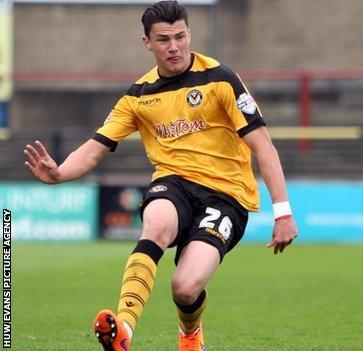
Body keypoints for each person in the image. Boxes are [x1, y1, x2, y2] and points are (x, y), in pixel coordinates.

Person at [23, 1, 298, 350]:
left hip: (226, 196)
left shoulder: (221, 78)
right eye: (164, 39)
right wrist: (60, 172)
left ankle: (190, 333)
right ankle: (123, 330)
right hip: (174, 185)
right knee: (155, 225)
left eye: (180, 37)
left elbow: (264, 147)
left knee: (184, 288)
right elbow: (95, 148)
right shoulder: (139, 95)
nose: (174, 47)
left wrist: (283, 212)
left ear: (189, 34)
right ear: (147, 43)